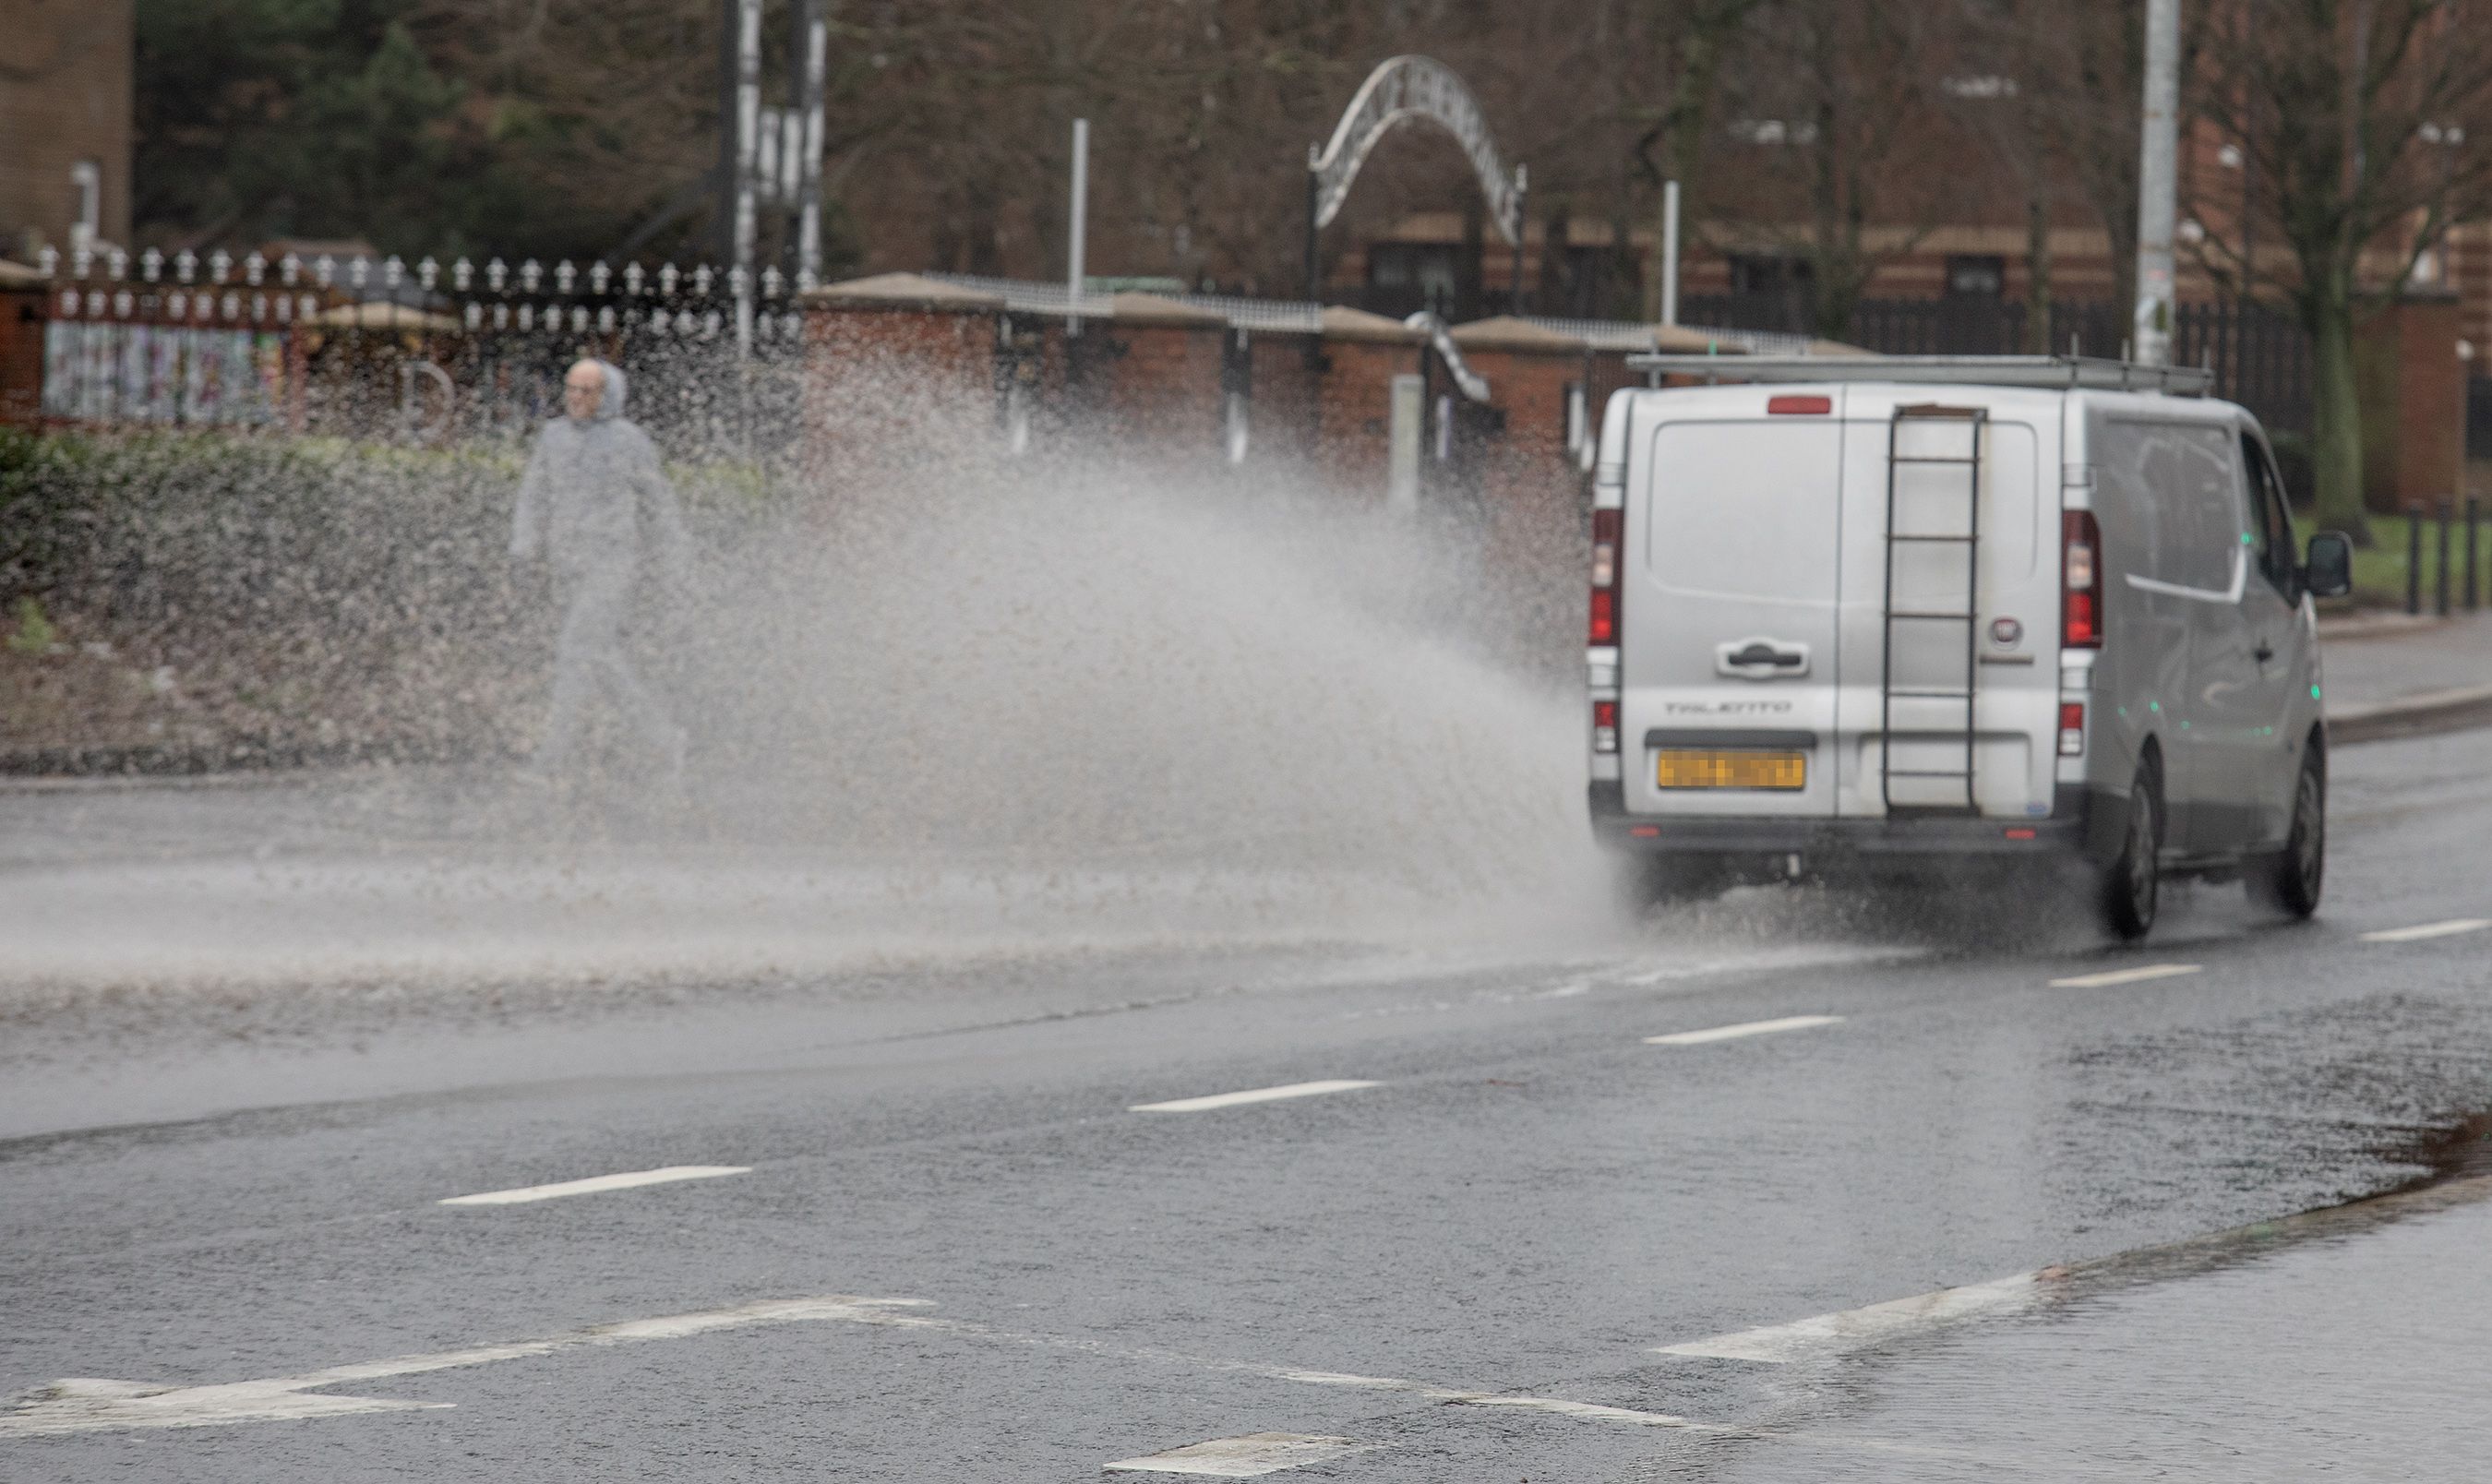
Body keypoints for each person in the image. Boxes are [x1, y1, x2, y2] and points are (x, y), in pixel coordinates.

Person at [509, 357, 691, 784]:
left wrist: (675, 560)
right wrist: (524, 547)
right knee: (599, 658)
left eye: (585, 390)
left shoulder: (630, 442)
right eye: (571, 388)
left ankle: (553, 758)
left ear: (607, 395)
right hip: (566, 565)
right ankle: (664, 739)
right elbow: (533, 495)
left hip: (610, 565)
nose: (575, 397)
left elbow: (659, 504)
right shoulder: (553, 438)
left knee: (575, 652)